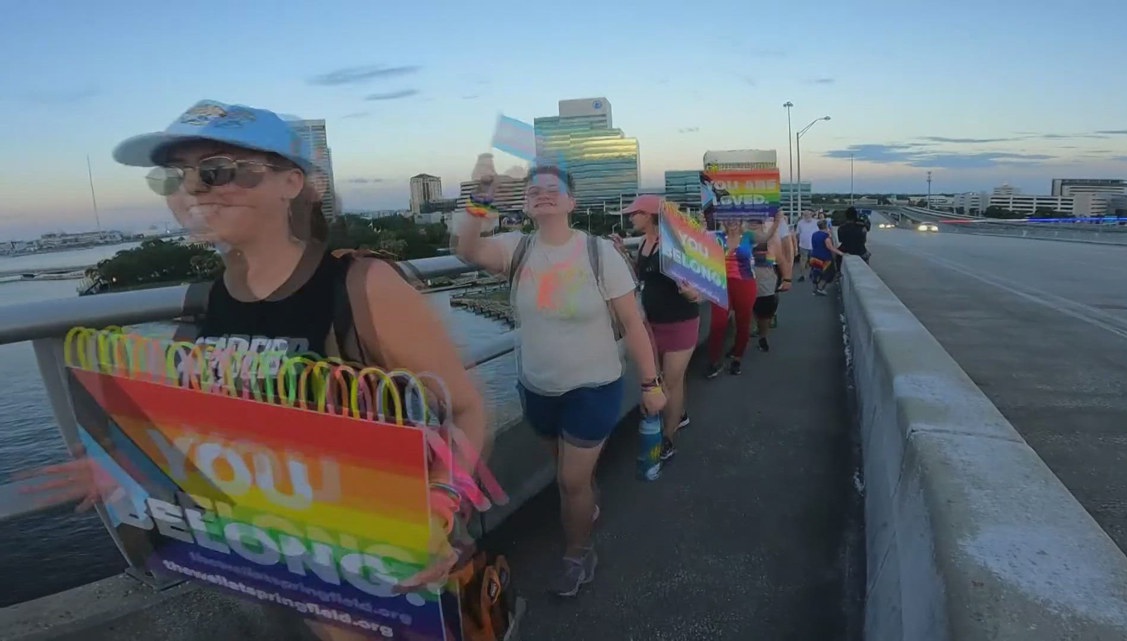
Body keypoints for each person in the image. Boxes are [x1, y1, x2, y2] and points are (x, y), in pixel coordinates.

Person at [25, 100, 491, 641]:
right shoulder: (208, 304)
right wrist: (125, 463)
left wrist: (439, 509)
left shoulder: (362, 286)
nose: (192, 190)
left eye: (216, 171)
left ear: (290, 182)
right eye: (175, 177)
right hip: (295, 555)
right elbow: (187, 424)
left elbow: (467, 406)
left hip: (388, 548)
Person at [454, 158, 666, 598]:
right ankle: (583, 506)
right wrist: (480, 196)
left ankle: (577, 552)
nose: (543, 193)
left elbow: (632, 323)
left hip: (593, 386)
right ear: (526, 204)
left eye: (553, 188)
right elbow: (466, 250)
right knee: (568, 474)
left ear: (572, 201)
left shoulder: (598, 252)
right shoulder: (518, 248)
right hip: (536, 388)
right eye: (534, 190)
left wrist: (650, 384)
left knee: (570, 481)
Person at [620, 195, 700, 462]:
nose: (630, 217)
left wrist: (691, 294)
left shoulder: (674, 245)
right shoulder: (644, 242)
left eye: (635, 213)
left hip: (680, 322)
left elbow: (698, 286)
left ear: (650, 215)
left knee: (669, 383)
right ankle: (679, 416)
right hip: (653, 324)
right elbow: (645, 277)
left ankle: (668, 437)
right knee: (666, 381)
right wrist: (624, 254)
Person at [705, 219, 757, 378]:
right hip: (721, 284)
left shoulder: (749, 236)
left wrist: (776, 222)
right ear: (723, 222)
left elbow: (768, 237)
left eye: (735, 218)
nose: (732, 221)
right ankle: (714, 361)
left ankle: (737, 358)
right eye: (728, 218)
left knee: (743, 322)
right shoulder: (716, 236)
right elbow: (696, 239)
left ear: (741, 221)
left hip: (745, 283)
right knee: (717, 324)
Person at [749, 220, 781, 351]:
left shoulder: (770, 238)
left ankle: (763, 336)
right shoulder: (740, 237)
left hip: (765, 279)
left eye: (756, 222)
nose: (753, 225)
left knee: (764, 312)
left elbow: (776, 258)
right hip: (745, 280)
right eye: (751, 222)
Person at [810, 219, 843, 295]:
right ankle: (821, 288)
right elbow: (830, 247)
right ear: (826, 226)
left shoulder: (814, 234)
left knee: (816, 273)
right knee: (828, 274)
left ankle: (815, 290)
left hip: (814, 256)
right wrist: (840, 253)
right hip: (825, 258)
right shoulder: (826, 236)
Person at [795, 211, 818, 282]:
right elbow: (797, 234)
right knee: (803, 260)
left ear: (811, 215)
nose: (807, 216)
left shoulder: (816, 222)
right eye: (806, 215)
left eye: (808, 215)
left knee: (813, 261)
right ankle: (803, 275)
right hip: (803, 245)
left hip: (813, 245)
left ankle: (813, 274)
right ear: (803, 216)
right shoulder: (800, 223)